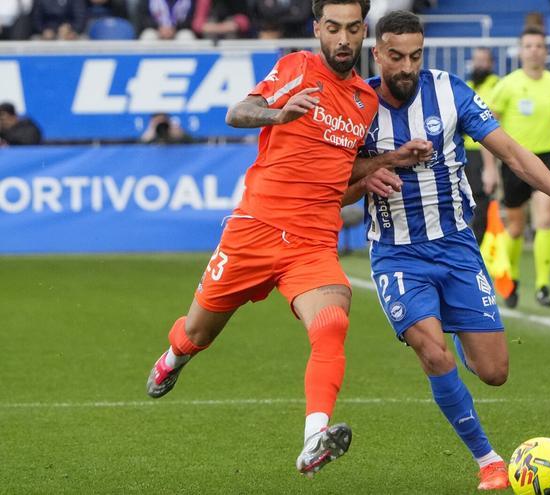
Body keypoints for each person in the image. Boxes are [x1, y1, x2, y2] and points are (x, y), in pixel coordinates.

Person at [143, 0, 427, 478]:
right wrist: (278, 115)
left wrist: (389, 160)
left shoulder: (365, 101)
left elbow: (341, 174)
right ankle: (172, 358)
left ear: (364, 35)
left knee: (333, 321)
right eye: (333, 28)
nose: (342, 39)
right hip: (254, 229)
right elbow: (238, 112)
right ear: (318, 29)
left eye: (352, 29)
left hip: (312, 241)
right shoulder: (296, 68)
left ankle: (315, 436)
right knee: (197, 333)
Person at [346, 11, 550, 491]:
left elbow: (511, 151)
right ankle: (488, 459)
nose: (407, 66)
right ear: (377, 53)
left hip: (457, 249)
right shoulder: (357, 104)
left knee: (493, 372)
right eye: (396, 57)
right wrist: (373, 172)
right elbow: (332, 187)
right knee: (433, 352)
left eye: (415, 56)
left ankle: (459, 332)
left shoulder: (450, 91)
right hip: (397, 253)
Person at [489, 26, 550, 309]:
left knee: (544, 219)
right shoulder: (507, 84)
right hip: (515, 161)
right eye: (528, 46)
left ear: (545, 50)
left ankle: (543, 286)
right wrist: (490, 168)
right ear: (520, 50)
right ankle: (512, 279)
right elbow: (490, 126)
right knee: (515, 226)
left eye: (539, 45)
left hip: (546, 159)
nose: (534, 50)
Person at [464, 47, 500, 245]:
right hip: (464, 149)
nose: (479, 64)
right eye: (476, 60)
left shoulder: (496, 86)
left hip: (484, 150)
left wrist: (490, 165)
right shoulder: (467, 86)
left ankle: (480, 241)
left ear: (491, 64)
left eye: (483, 60)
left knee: (480, 196)